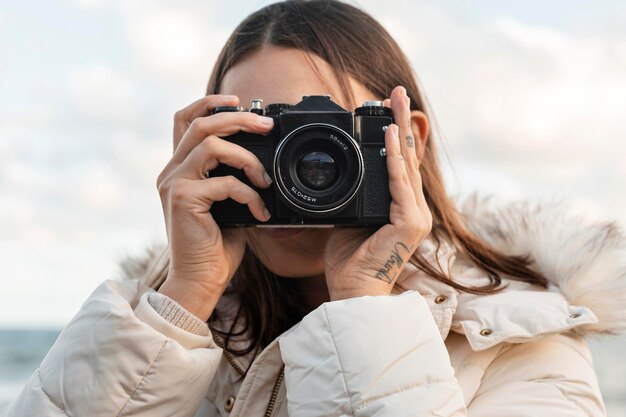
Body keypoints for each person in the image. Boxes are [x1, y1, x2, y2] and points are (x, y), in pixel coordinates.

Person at [3, 1, 625, 416]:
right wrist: (180, 301)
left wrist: (365, 305)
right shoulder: (168, 329)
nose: (298, 168)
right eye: (265, 134)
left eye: (332, 134)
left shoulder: (527, 346)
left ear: (406, 141)